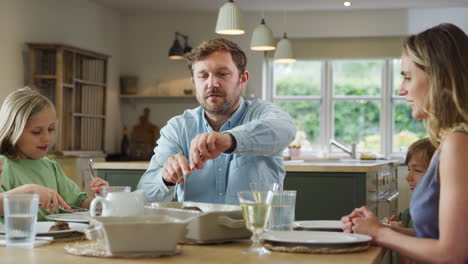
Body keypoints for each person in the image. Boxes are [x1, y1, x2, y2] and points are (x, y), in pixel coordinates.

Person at [341, 23, 468, 263]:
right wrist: (381, 228)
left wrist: (378, 233)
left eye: (408, 77)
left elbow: (453, 253)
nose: (401, 90)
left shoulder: (458, 145)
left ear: (439, 78)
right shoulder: (449, 142)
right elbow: (436, 236)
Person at [137, 38, 296, 204]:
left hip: (255, 229)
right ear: (194, 83)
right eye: (203, 76)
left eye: (222, 74)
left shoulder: (261, 113)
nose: (212, 83)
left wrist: (229, 140)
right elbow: (144, 196)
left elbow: (286, 129)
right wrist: (165, 178)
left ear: (242, 79)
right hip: (196, 229)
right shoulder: (178, 128)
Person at [0, 87, 109, 222]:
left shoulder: (50, 166)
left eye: (51, 129)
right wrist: (27, 193)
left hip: (53, 241)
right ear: (12, 131)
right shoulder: (3, 165)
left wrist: (102, 200)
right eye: (36, 132)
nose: (47, 138)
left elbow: (79, 203)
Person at [388, 138, 435, 264]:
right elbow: (399, 222)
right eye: (409, 169)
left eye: (417, 170)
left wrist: (396, 232)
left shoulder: (439, 211)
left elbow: (431, 240)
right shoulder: (412, 210)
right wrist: (388, 224)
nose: (408, 177)